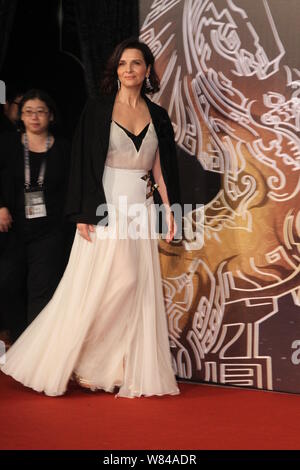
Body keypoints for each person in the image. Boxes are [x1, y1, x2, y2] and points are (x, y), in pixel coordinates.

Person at [0, 38, 181, 398]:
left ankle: (108, 366)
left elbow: (162, 170)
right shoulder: (98, 110)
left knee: (134, 288)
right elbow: (82, 164)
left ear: (147, 71)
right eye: (123, 64)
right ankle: (80, 356)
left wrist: (170, 211)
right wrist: (83, 212)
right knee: (107, 284)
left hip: (140, 209)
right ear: (115, 71)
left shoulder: (158, 115)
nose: (129, 69)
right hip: (106, 204)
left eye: (136, 63)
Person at [0, 89, 71, 343]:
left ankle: (37, 347)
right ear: (20, 116)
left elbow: (72, 189)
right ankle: (18, 340)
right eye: (28, 112)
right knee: (8, 283)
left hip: (50, 230)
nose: (35, 117)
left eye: (41, 112)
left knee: (42, 288)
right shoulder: (8, 144)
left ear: (51, 116)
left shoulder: (63, 149)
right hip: (14, 228)